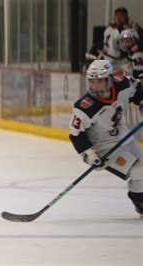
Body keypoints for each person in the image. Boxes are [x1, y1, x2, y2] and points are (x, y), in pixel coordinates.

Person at [69, 60, 143, 218]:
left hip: (124, 136)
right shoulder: (84, 107)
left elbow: (138, 91)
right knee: (140, 172)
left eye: (99, 81)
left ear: (110, 79)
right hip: (105, 149)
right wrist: (90, 155)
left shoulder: (122, 85)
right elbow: (76, 135)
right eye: (92, 81)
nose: (95, 86)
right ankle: (140, 203)